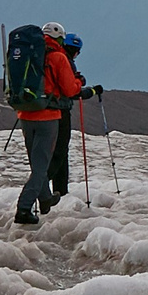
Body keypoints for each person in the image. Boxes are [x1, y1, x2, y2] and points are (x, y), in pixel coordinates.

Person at [11, 22, 93, 226]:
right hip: (48, 117)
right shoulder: (57, 57)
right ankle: (23, 208)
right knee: (41, 167)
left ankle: (46, 198)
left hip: (25, 114)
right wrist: (79, 83)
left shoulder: (28, 54)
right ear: (59, 39)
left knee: (36, 161)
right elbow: (70, 90)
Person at [46, 32, 85, 206]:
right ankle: (48, 188)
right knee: (60, 151)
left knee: (51, 151)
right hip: (60, 111)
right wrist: (80, 83)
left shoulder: (45, 56)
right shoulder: (61, 60)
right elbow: (70, 90)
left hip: (42, 110)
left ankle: (54, 189)